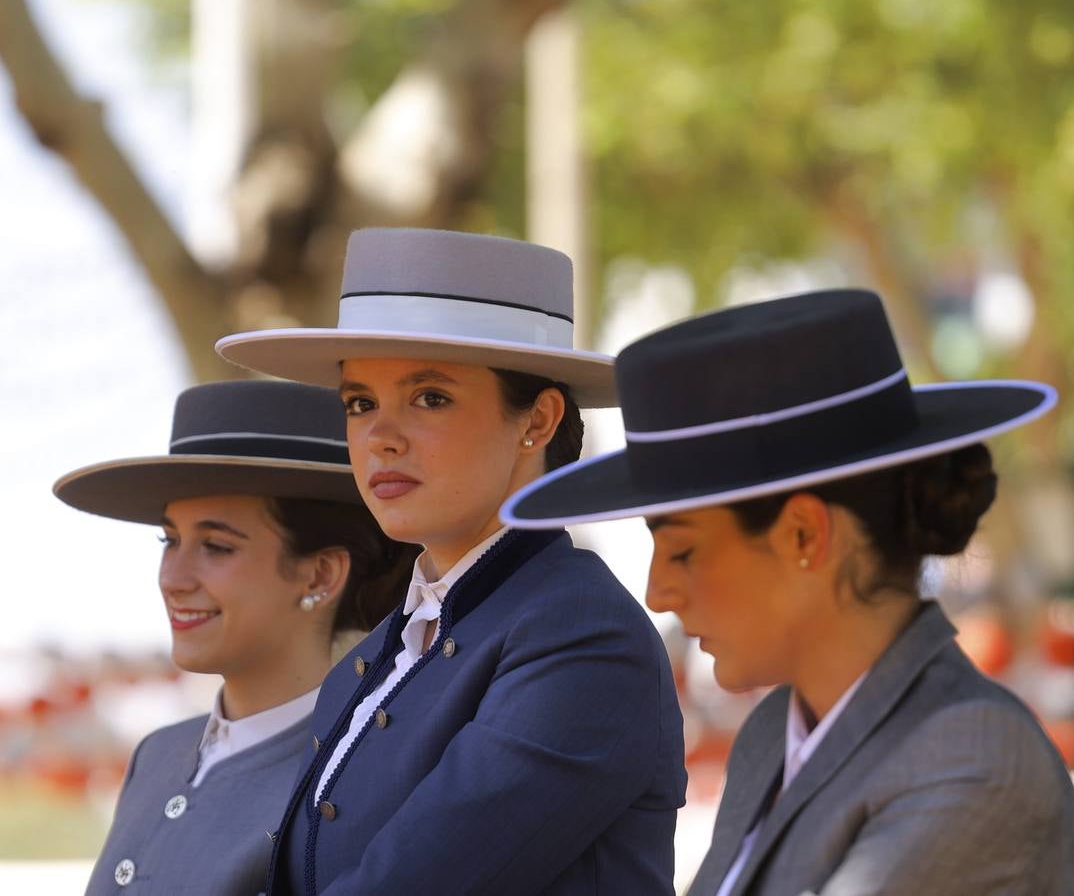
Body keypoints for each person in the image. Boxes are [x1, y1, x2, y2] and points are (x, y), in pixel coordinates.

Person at [502, 288, 1074, 895]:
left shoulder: (974, 758)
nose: (658, 592)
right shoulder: (774, 734)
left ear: (804, 533)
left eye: (684, 549)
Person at [215, 228, 687, 895]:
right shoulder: (379, 654)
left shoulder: (581, 637)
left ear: (539, 420)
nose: (380, 437)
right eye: (360, 403)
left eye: (429, 397)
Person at [54, 380, 417, 895]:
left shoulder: (364, 771)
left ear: (319, 576)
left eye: (217, 546)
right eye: (170, 540)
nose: (173, 577)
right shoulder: (159, 754)